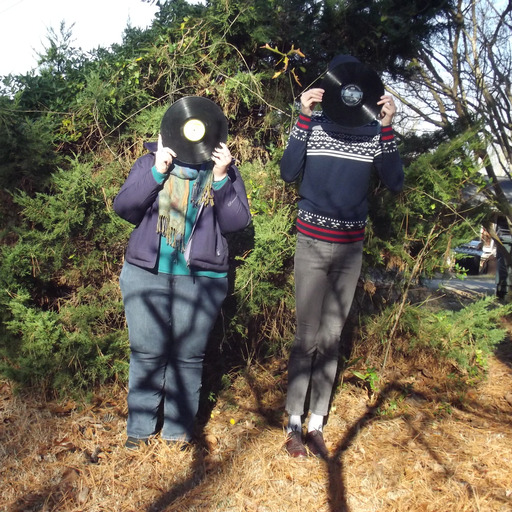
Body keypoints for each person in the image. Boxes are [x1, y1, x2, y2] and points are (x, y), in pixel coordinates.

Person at [280, 55, 404, 458]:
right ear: (333, 88)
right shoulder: (312, 126)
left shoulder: (373, 133)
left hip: (350, 249)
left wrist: (386, 127)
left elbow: (395, 180)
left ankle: (317, 423)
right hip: (311, 243)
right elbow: (287, 171)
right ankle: (293, 425)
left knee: (331, 338)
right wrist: (302, 115)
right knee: (306, 337)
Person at [113, 108, 251, 449]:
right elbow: (125, 208)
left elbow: (236, 222)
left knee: (187, 358)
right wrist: (158, 170)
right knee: (146, 353)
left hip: (201, 279)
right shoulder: (148, 163)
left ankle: (177, 433)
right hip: (146, 274)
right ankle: (140, 431)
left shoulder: (226, 172)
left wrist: (220, 177)